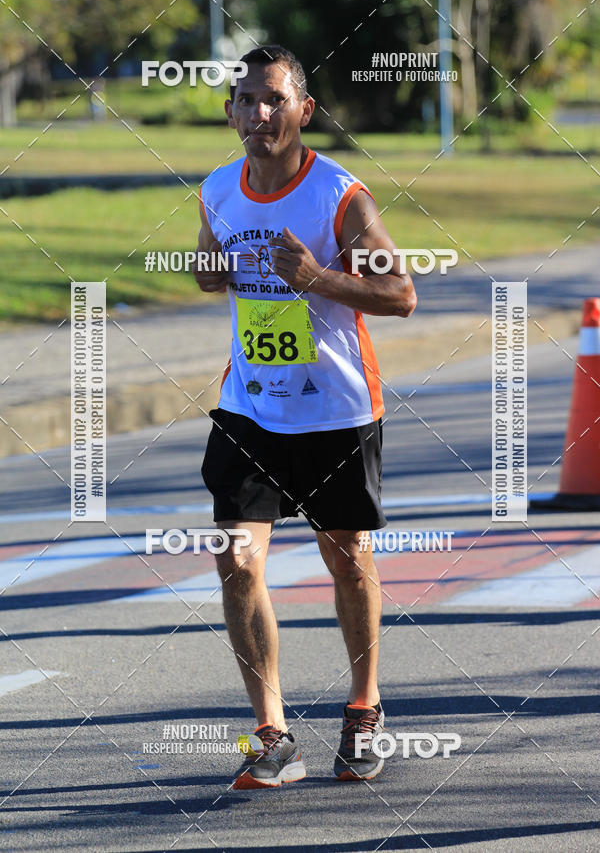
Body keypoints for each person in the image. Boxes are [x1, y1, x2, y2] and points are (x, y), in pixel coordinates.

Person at [194, 45, 416, 788]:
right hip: (250, 405)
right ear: (230, 112)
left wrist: (319, 277)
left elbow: (401, 294)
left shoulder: (340, 198)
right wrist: (209, 271)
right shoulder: (216, 189)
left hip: (336, 409)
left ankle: (364, 709)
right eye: (247, 101)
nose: (260, 114)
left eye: (275, 100)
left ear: (304, 110)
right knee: (236, 559)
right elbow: (209, 267)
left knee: (347, 558)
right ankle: (272, 734)